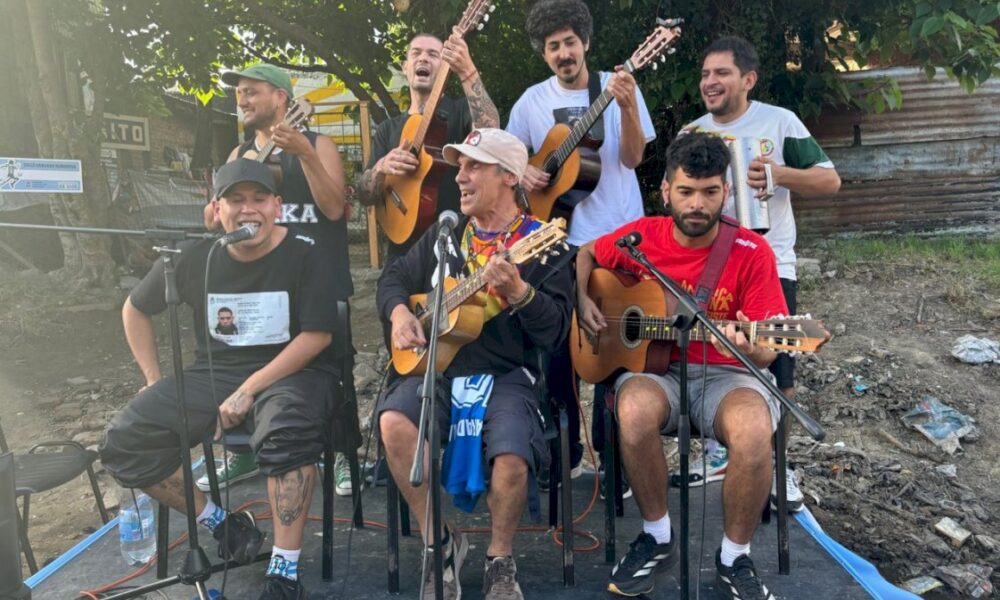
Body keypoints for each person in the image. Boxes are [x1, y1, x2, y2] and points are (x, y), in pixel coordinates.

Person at [101, 159, 345, 600]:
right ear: (217, 208)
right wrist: (154, 378)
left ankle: (284, 572)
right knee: (125, 442)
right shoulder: (198, 256)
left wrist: (249, 389)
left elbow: (317, 336)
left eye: (257, 199)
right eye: (235, 200)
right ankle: (223, 525)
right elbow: (135, 309)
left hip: (296, 373)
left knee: (285, 433)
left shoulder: (307, 252)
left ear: (277, 206)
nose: (247, 209)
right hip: (213, 374)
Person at [576, 133, 787, 599]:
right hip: (659, 372)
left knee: (754, 430)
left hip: (729, 375)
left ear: (725, 193)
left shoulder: (752, 252)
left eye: (710, 192)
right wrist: (584, 301)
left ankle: (735, 558)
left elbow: (770, 348)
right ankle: (657, 534)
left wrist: (749, 345)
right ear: (666, 190)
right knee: (631, 408)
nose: (698, 204)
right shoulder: (641, 238)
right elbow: (587, 253)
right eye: (687, 191)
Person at [375, 128, 572, 600]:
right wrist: (401, 313)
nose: (459, 177)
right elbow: (392, 279)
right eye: (460, 166)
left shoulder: (544, 244)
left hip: (508, 374)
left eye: (473, 167)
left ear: (508, 176)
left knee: (509, 454)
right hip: (438, 371)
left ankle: (499, 561)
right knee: (394, 422)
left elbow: (557, 331)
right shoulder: (447, 235)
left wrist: (521, 294)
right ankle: (439, 544)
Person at [677, 36, 841, 509]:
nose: (710, 82)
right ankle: (713, 454)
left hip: (769, 263)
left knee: (779, 365)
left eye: (721, 73)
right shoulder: (693, 132)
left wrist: (780, 173)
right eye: (706, 74)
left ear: (747, 79)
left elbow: (830, 180)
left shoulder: (780, 121)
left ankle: (780, 466)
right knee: (709, 357)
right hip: (709, 269)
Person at [506, 0, 657, 484]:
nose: (564, 52)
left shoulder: (617, 88)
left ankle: (615, 461)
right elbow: (511, 164)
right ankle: (563, 454)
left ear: (586, 43)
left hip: (619, 237)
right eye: (553, 46)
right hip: (558, 240)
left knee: (617, 346)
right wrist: (522, 170)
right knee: (558, 349)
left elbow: (633, 158)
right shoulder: (530, 102)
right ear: (543, 54)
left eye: (570, 42)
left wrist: (629, 105)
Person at [199, 63, 355, 496]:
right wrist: (216, 211)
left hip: (319, 276)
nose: (242, 100)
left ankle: (341, 451)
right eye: (239, 94)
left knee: (334, 365)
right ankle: (246, 449)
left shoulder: (318, 143)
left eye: (252, 92)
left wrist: (303, 154)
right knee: (248, 359)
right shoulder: (239, 155)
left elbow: (333, 208)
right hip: (261, 281)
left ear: (282, 98)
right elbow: (216, 220)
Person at [357, 31, 501, 259]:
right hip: (400, 253)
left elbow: (491, 133)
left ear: (445, 66)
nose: (423, 58)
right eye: (416, 53)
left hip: (455, 244)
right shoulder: (387, 129)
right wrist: (381, 167)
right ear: (405, 67)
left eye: (433, 54)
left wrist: (467, 72)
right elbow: (365, 196)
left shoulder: (461, 110)